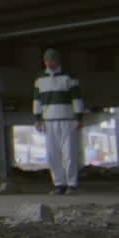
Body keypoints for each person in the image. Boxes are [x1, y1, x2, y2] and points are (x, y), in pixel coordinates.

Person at [33, 48, 84, 195]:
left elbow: (77, 98)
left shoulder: (69, 77)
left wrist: (78, 117)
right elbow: (37, 100)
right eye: (47, 61)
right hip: (49, 120)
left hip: (67, 120)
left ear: (58, 61)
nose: (49, 63)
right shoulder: (39, 79)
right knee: (52, 154)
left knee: (70, 152)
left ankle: (72, 184)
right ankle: (59, 184)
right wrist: (37, 118)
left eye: (52, 60)